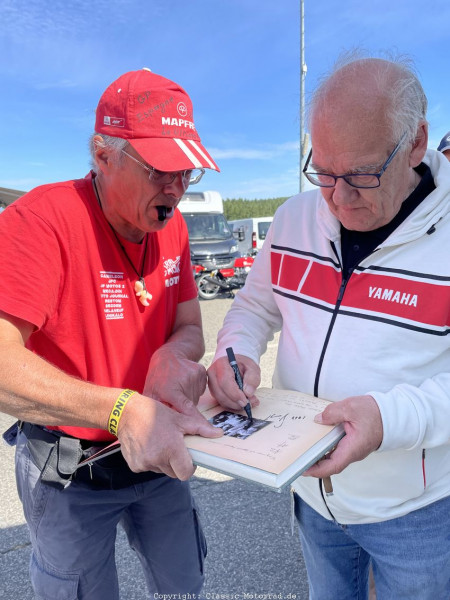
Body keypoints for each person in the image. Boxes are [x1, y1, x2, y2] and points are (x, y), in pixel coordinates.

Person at [208, 55, 450, 599]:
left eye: (361, 176)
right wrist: (235, 353)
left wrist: (387, 419)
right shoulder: (294, 219)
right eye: (324, 173)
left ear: (416, 143)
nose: (339, 199)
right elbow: (253, 307)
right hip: (312, 496)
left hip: (417, 512)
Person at [0, 68, 224, 598]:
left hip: (159, 460)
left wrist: (172, 355)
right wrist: (121, 410)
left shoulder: (174, 228)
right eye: (159, 170)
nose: (175, 188)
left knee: (184, 584)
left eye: (187, 173)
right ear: (102, 155)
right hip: (72, 469)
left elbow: (190, 324)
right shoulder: (41, 222)